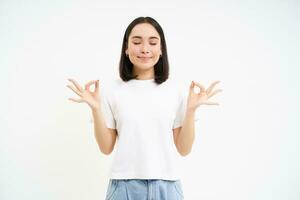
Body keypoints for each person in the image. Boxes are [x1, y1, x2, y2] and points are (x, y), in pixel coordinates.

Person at [67, 16, 221, 200]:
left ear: (161, 49)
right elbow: (106, 148)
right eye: (137, 41)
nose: (145, 49)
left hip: (168, 187)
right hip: (123, 187)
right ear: (126, 48)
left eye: (153, 42)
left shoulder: (177, 90)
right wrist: (95, 108)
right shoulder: (111, 90)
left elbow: (184, 149)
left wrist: (190, 111)